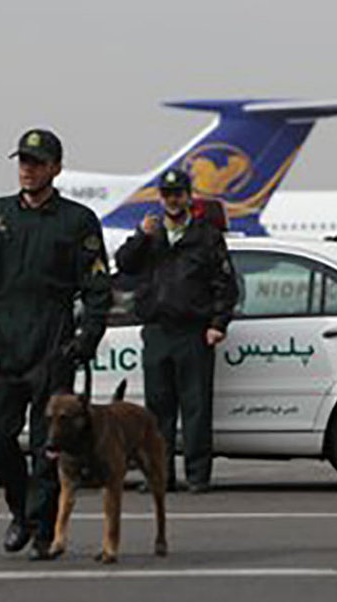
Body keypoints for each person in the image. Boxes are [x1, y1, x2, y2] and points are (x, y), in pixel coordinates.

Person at [0, 128, 112, 560]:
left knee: (47, 445)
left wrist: (87, 337)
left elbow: (98, 288)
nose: (27, 169)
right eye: (22, 161)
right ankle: (19, 510)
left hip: (52, 341)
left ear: (55, 168)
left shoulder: (77, 221)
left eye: (37, 163)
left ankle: (42, 528)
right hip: (4, 340)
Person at [114, 169, 238, 493]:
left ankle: (198, 476)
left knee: (196, 407)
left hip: (193, 332)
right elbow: (124, 264)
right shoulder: (151, 236)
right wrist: (141, 235)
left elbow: (226, 286)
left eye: (178, 194)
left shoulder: (206, 236)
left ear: (188, 196)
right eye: (167, 194)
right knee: (158, 410)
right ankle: (160, 475)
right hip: (157, 331)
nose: (172, 199)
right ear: (160, 197)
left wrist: (217, 324)